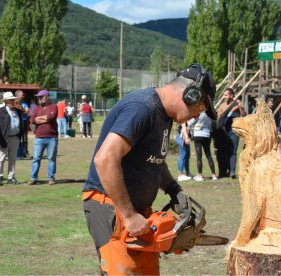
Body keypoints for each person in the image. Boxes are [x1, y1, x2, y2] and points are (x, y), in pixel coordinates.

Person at [81, 63, 217, 275]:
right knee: (124, 271)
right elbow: (106, 158)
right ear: (191, 94)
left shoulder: (164, 116)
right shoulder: (141, 107)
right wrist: (128, 216)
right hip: (111, 206)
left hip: (138, 211)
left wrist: (174, 189)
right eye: (201, 108)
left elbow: (153, 159)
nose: (197, 116)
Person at [28, 90, 58, 185]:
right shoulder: (36, 108)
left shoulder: (54, 106)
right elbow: (32, 120)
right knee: (36, 158)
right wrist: (43, 119)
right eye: (38, 97)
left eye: (40, 97)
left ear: (46, 97)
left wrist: (39, 119)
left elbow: (51, 117)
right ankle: (33, 178)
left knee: (51, 159)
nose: (39, 99)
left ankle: (51, 178)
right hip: (39, 137)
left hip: (52, 137)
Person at [215, 88, 247, 179]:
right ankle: (224, 171)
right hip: (224, 131)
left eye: (226, 95)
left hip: (234, 131)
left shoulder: (237, 105)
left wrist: (240, 106)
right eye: (224, 95)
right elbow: (219, 118)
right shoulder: (222, 106)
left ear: (231, 95)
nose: (224, 97)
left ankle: (232, 171)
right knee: (224, 151)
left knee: (233, 151)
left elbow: (244, 115)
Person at [0, 92, 23, 186]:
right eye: (10, 100)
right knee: (1, 159)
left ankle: (11, 177)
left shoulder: (18, 111)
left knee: (13, 159)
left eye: (13, 99)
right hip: (4, 138)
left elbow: (21, 124)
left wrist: (20, 137)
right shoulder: (0, 111)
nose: (12, 101)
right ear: (6, 101)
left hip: (15, 137)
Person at [189, 111, 217, 181]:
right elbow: (212, 125)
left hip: (197, 135)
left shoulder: (198, 113)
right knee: (209, 155)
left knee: (199, 156)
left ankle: (200, 175)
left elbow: (190, 124)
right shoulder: (210, 115)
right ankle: (214, 175)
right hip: (206, 135)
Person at [14, 90, 30, 159]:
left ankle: (25, 152)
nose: (23, 96)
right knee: (17, 139)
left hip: (23, 122)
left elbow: (27, 112)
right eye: (22, 95)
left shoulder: (24, 103)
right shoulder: (13, 103)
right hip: (16, 124)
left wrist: (22, 108)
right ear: (17, 96)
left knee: (25, 139)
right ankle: (17, 153)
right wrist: (23, 110)